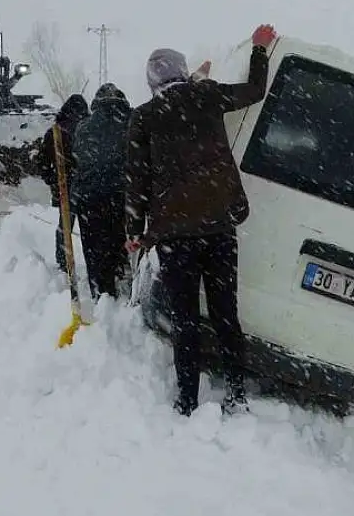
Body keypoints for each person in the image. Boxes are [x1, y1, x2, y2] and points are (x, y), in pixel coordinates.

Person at [124, 24, 277, 417]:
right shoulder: (206, 96)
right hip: (218, 227)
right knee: (227, 315)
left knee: (185, 320)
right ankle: (237, 394)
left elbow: (137, 180)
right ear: (182, 70)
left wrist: (134, 232)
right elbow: (255, 91)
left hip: (175, 237)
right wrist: (259, 50)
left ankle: (187, 400)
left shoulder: (144, 118)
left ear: (151, 82)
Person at [72, 83, 132, 300]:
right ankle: (123, 281)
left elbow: (77, 158)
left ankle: (100, 292)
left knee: (94, 249)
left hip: (89, 199)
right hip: (122, 197)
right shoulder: (132, 122)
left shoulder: (83, 127)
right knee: (120, 242)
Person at [37, 94, 89, 273]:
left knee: (65, 226)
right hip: (87, 187)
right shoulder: (87, 130)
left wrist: (53, 180)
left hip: (65, 188)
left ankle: (63, 261)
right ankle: (93, 261)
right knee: (90, 228)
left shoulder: (54, 131)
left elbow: (41, 163)